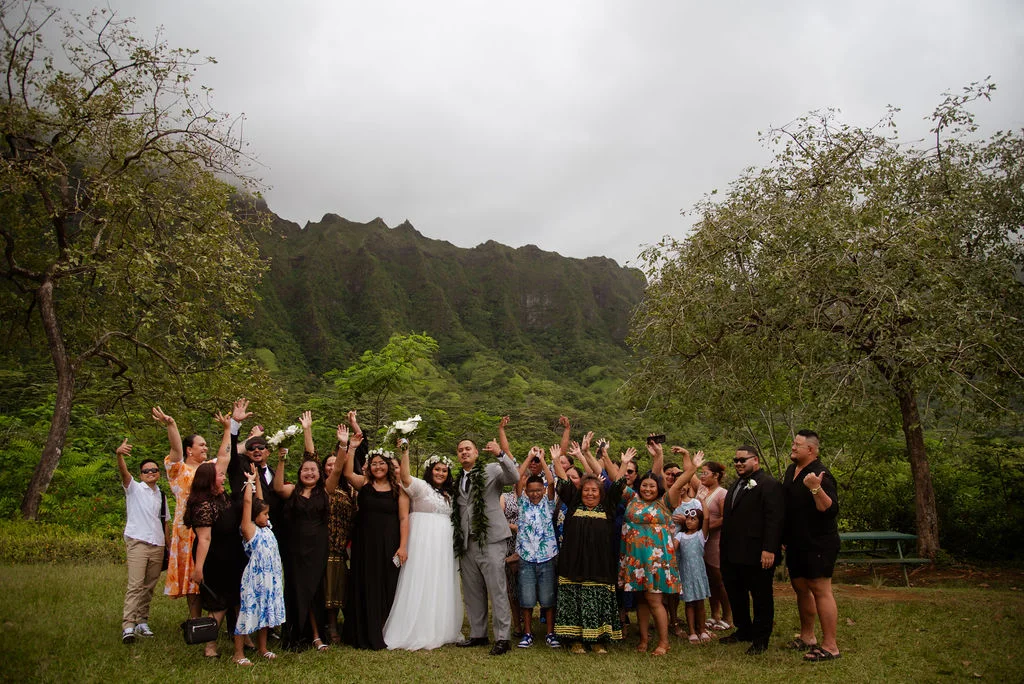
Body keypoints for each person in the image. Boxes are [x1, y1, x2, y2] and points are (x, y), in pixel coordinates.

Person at [617, 440, 696, 656]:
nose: (648, 488)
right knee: (642, 599)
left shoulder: (665, 502)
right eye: (644, 485)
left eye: (652, 486)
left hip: (656, 561)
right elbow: (616, 481)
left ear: (658, 487)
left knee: (654, 599)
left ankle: (663, 642)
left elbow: (680, 483)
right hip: (635, 559)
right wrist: (623, 464)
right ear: (639, 486)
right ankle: (643, 639)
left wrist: (691, 467)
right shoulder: (632, 499)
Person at [382, 439, 463, 650]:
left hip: (444, 545)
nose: (441, 473)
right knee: (421, 580)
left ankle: (441, 627)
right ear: (430, 470)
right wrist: (405, 452)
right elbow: (405, 477)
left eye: (445, 471)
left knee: (441, 581)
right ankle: (417, 628)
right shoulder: (420, 487)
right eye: (437, 469)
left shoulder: (449, 493)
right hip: (423, 542)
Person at [155, 405, 232, 619]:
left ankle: (210, 618)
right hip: (186, 529)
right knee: (192, 578)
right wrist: (172, 424)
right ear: (190, 449)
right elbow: (176, 451)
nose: (206, 448)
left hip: (208, 527)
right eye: (202, 445)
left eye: (207, 445)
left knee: (208, 573)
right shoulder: (179, 470)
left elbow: (224, 457)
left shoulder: (208, 468)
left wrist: (228, 429)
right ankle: (195, 621)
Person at [551, 443, 624, 654]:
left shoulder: (608, 508)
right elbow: (563, 483)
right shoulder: (574, 504)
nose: (590, 494)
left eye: (594, 490)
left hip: (600, 565)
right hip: (573, 564)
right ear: (580, 492)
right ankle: (575, 640)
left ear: (600, 493)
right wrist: (557, 460)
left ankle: (598, 640)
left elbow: (618, 484)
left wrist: (623, 462)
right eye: (586, 490)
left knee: (597, 600)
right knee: (574, 600)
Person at [453, 427, 520, 656]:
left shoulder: (492, 470)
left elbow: (514, 477)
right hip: (467, 542)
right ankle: (478, 634)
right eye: (461, 450)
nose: (464, 453)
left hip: (491, 539)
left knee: (497, 588)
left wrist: (501, 454)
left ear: (476, 453)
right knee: (472, 591)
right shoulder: (458, 479)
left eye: (468, 449)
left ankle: (503, 637)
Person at [341, 430, 410, 650]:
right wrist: (351, 448)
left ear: (388, 466)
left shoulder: (399, 490)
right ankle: (364, 630)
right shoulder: (364, 484)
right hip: (365, 543)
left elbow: (403, 519)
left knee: (388, 584)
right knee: (365, 583)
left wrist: (402, 546)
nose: (378, 467)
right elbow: (347, 474)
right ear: (369, 466)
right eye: (374, 463)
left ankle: (386, 629)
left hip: (389, 542)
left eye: (382, 463)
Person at [273, 411, 331, 651]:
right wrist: (282, 459)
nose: (309, 472)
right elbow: (276, 487)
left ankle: (317, 636)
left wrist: (308, 430)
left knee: (315, 589)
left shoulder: (325, 490)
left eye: (313, 470)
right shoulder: (291, 491)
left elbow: (314, 456)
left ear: (319, 474)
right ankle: (296, 633)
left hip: (317, 546)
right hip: (295, 547)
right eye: (305, 470)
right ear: (300, 473)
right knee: (296, 588)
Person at [719, 445, 784, 655]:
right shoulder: (736, 484)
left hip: (757, 553)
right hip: (732, 552)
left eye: (742, 460)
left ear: (755, 460)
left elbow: (774, 520)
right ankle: (743, 629)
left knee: (761, 596)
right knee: (736, 593)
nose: (738, 464)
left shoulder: (769, 484)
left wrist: (769, 549)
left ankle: (761, 639)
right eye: (735, 460)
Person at [782, 430, 841, 662]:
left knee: (820, 589)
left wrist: (816, 488)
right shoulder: (791, 471)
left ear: (811, 450)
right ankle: (807, 637)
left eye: (797, 445)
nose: (793, 448)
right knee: (800, 588)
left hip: (819, 543)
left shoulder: (821, 474)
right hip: (797, 543)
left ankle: (831, 646)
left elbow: (830, 509)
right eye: (793, 444)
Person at [184, 459, 248, 663]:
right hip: (215, 557)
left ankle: (242, 639)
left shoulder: (221, 496)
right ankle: (209, 645)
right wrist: (198, 568)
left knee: (235, 600)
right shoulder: (203, 503)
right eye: (219, 475)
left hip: (232, 553)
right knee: (219, 602)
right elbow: (204, 538)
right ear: (209, 480)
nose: (223, 477)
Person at [116, 439, 170, 644]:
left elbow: (165, 522)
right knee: (135, 584)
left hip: (157, 544)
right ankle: (128, 625)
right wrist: (119, 455)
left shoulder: (162, 496)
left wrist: (169, 546)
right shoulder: (134, 489)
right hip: (138, 542)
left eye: (154, 470)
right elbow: (124, 473)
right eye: (146, 471)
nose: (151, 473)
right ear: (140, 475)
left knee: (149, 586)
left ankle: (142, 620)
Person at [236, 466, 286, 661]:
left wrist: (257, 481)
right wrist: (249, 482)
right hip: (255, 578)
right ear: (254, 516)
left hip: (271, 577)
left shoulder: (267, 527)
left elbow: (260, 499)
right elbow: (249, 502)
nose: (267, 517)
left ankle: (262, 648)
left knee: (266, 613)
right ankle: (238, 653)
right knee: (248, 612)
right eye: (264, 514)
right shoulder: (249, 529)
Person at [514, 447, 560, 649]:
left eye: (538, 490)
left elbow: (551, 482)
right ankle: (527, 634)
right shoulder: (522, 503)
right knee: (526, 598)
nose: (534, 494)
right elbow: (518, 477)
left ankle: (550, 633)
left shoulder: (548, 503)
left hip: (548, 556)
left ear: (542, 491)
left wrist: (542, 459)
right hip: (526, 557)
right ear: (526, 491)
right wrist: (528, 457)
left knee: (548, 597)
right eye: (531, 490)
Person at [322, 426, 357, 645]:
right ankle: (331, 626)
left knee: (344, 586)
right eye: (329, 463)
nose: (333, 466)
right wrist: (344, 445)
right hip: (327, 541)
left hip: (345, 542)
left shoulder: (350, 489)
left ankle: (348, 624)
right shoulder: (325, 487)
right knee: (329, 586)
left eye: (336, 462)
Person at [698, 459, 732, 630]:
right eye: (701, 473)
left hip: (716, 541)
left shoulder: (722, 494)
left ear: (716, 475)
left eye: (705, 473)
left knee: (720, 580)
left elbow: (725, 518)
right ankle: (715, 614)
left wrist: (705, 527)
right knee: (710, 580)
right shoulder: (702, 491)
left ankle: (728, 616)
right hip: (702, 541)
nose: (702, 476)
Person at [675, 507, 712, 644]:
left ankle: (702, 629)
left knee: (700, 604)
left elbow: (707, 518)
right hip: (686, 574)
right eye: (688, 519)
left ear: (700, 521)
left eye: (693, 519)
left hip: (698, 574)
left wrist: (702, 500)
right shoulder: (680, 536)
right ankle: (691, 631)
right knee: (689, 603)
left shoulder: (701, 535)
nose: (689, 522)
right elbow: (673, 547)